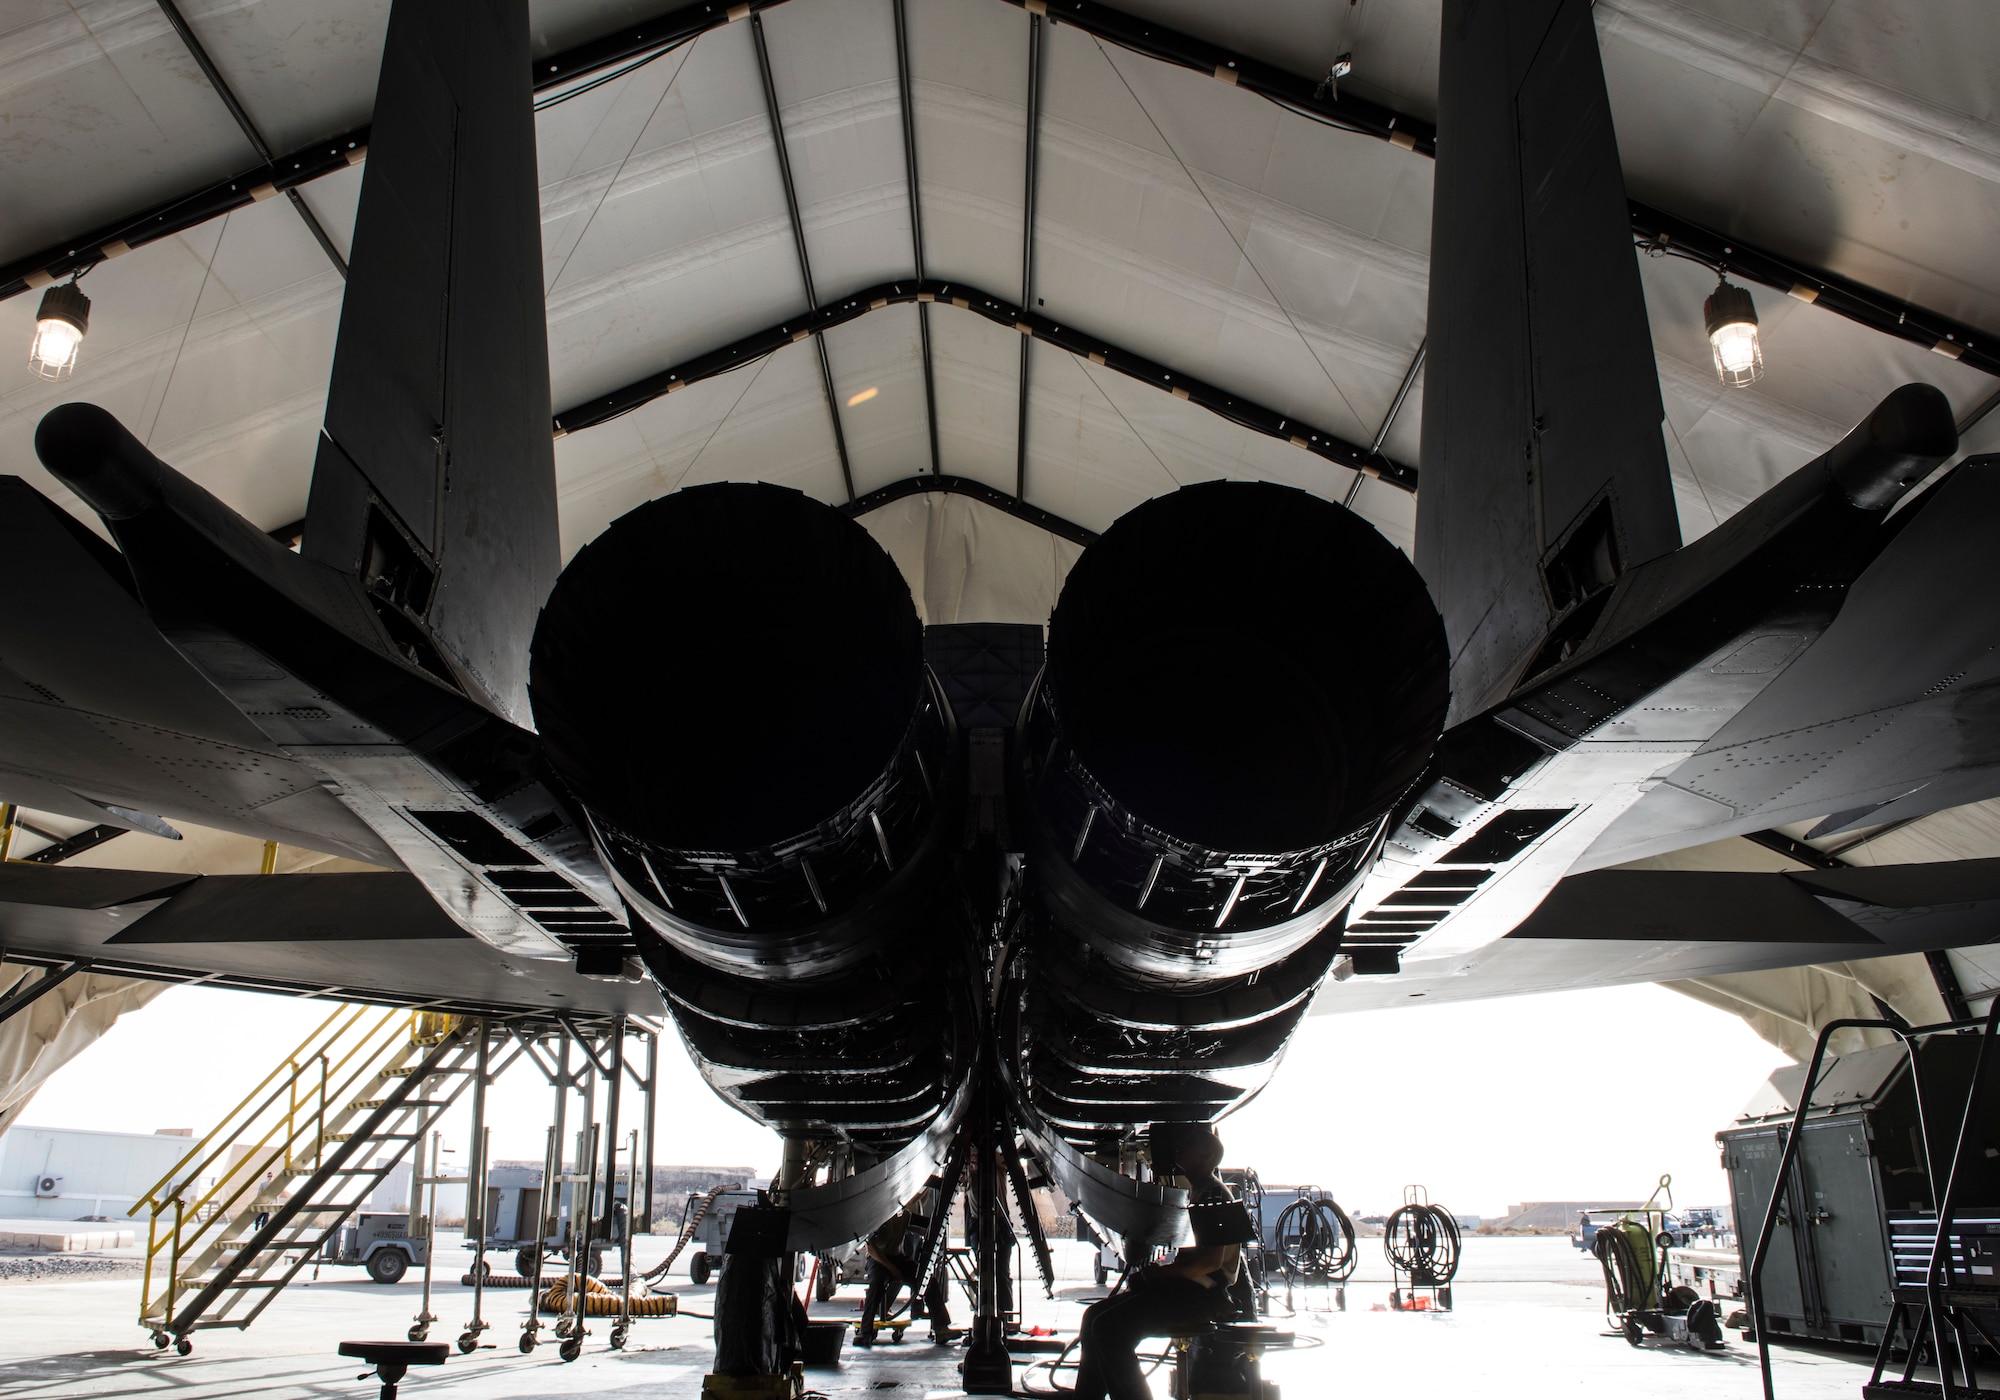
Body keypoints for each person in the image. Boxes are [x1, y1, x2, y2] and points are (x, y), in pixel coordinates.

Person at [1070, 1126, 1255, 1400]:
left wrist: (1159, 1275)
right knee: (1094, 1317)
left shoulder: (1214, 1197)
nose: (1180, 1146)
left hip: (1203, 1297)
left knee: (1110, 1328)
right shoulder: (1203, 1192)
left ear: (1206, 1155)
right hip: (1192, 1292)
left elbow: (1209, 1263)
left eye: (1189, 1143)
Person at [856, 1203, 954, 1345]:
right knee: (876, 1284)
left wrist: (941, 1218)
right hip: (878, 1260)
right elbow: (871, 1249)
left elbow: (925, 1224)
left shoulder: (904, 1215)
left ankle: (941, 1327)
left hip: (897, 1258)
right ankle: (865, 1332)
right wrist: (892, 1269)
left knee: (926, 1280)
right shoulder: (876, 1215)